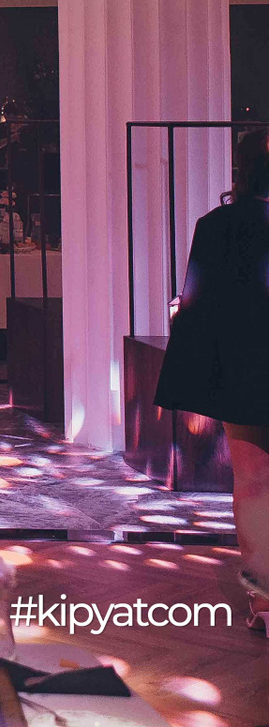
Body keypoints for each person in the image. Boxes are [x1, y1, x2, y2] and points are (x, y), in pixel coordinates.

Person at [156, 129, 269, 634]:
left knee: (252, 481)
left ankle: (265, 601)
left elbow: (198, 306)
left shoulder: (217, 224)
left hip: (244, 366)